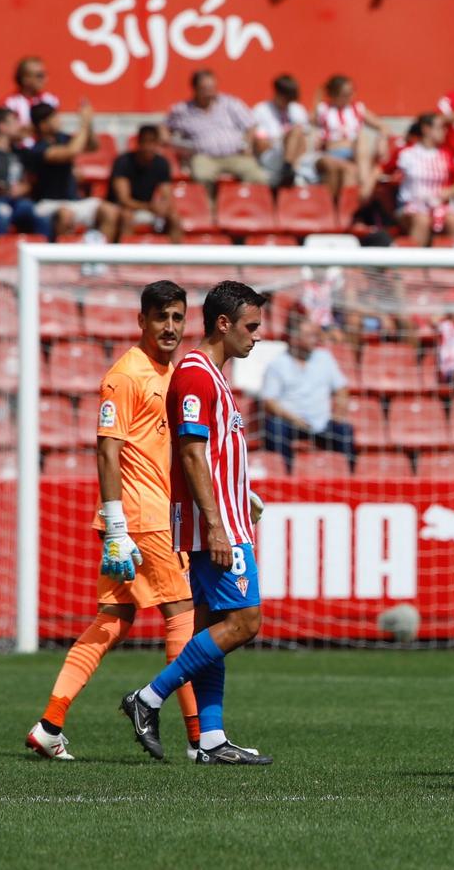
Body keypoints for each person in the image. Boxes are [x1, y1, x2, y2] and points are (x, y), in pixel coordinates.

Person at [26, 283, 201, 762]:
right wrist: (119, 527)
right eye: (161, 317)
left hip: (148, 513)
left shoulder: (170, 373)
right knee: (183, 617)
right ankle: (198, 739)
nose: (170, 327)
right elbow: (107, 449)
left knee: (113, 620)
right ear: (140, 321)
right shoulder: (125, 376)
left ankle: (49, 724)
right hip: (141, 517)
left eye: (178, 318)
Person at [120, 280, 273, 765]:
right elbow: (190, 451)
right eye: (251, 327)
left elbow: (212, 454)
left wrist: (239, 494)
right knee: (245, 622)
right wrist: (215, 522)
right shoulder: (196, 373)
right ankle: (147, 698)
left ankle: (209, 739)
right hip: (216, 527)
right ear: (223, 325)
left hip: (225, 515)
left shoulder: (213, 375)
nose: (257, 336)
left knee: (213, 627)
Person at [258, 317, 354, 475]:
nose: (315, 339)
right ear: (294, 338)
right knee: (274, 427)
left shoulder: (324, 358)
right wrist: (294, 419)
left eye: (315, 335)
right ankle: (284, 475)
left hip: (322, 422)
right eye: (309, 335)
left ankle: (349, 477)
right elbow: (269, 401)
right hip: (291, 422)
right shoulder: (277, 364)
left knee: (345, 430)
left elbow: (341, 388)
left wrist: (339, 412)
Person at [22, 102, 116, 239]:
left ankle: (99, 257)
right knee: (66, 215)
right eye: (54, 118)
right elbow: (70, 152)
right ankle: (62, 258)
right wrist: (83, 124)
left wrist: (89, 124)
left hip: (74, 201)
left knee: (109, 211)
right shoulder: (37, 149)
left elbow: (93, 146)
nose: (59, 120)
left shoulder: (63, 138)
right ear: (43, 125)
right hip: (48, 203)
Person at [384, 114, 454, 246]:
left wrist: (448, 191)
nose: (445, 131)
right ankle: (413, 264)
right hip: (410, 206)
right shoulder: (406, 153)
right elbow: (383, 172)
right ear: (426, 129)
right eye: (440, 128)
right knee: (422, 220)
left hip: (439, 205)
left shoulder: (447, 154)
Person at [105, 125, 183, 243]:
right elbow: (124, 200)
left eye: (153, 142)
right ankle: (127, 258)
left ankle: (177, 258)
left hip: (146, 208)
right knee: (126, 216)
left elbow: (167, 196)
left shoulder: (161, 163)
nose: (149, 147)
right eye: (146, 142)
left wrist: (162, 207)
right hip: (122, 208)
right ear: (139, 143)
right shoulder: (123, 162)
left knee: (174, 217)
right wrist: (149, 207)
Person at [0, 108, 51, 244]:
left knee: (39, 213)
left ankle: (42, 255)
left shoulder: (20, 152)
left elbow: (29, 182)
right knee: (2, 213)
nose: (19, 126)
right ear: (1, 126)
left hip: (17, 201)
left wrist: (23, 188)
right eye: (14, 122)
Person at [315, 75, 387, 199]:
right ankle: (363, 186)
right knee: (352, 170)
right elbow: (305, 125)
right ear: (334, 94)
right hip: (333, 152)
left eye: (351, 93)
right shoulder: (323, 109)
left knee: (361, 138)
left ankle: (363, 182)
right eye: (345, 94)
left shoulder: (357, 108)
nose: (350, 97)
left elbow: (382, 126)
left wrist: (382, 140)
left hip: (355, 154)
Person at [252, 74, 315, 188]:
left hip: (298, 157)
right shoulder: (261, 110)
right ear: (277, 93)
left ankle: (289, 168)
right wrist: (284, 139)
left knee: (297, 133)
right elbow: (261, 145)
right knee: (295, 132)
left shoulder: (297, 110)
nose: (288, 103)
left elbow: (305, 142)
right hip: (272, 156)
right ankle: (288, 169)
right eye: (286, 98)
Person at [0, 57, 60, 129]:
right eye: (39, 75)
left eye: (44, 75)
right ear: (24, 79)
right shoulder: (10, 103)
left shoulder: (50, 100)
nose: (44, 79)